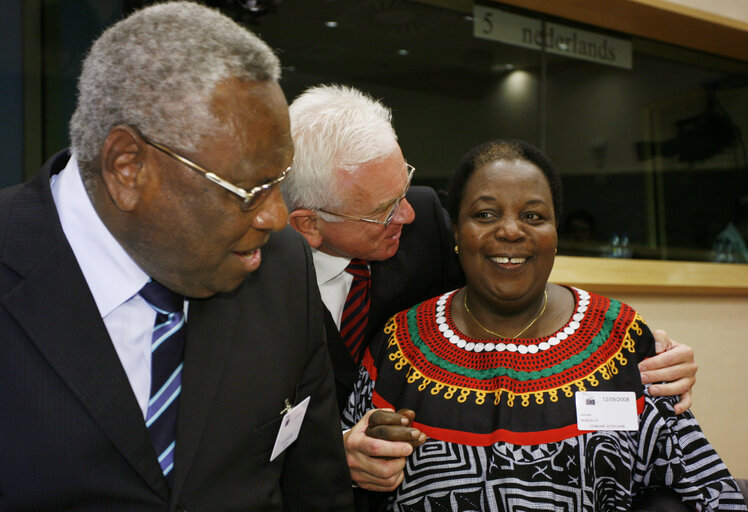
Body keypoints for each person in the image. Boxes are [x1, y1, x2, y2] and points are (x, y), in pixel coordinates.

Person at [0, 3, 352, 510]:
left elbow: (316, 488)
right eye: (249, 188)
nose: (275, 217)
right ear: (128, 168)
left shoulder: (280, 268)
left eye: (279, 183)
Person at [282, 85, 698, 494]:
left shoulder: (423, 220)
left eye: (403, 191)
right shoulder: (250, 281)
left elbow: (502, 288)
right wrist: (335, 453)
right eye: (382, 211)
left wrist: (639, 349)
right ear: (310, 224)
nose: (406, 215)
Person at [342, 139, 746, 511]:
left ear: (555, 234)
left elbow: (708, 491)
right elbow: (339, 476)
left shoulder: (620, 338)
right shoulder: (400, 345)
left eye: (533, 215)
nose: (511, 231)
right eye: (485, 214)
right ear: (456, 232)